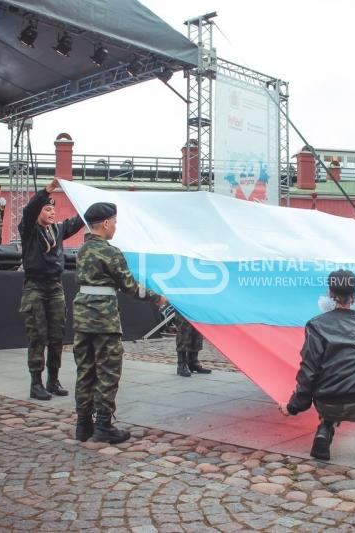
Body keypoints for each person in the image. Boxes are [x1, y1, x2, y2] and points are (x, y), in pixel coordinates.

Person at [72, 202, 167, 443]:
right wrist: (156, 297)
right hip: (104, 319)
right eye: (114, 222)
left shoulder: (82, 250)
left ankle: (83, 425)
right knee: (108, 371)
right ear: (105, 223)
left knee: (85, 371)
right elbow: (129, 286)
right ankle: (103, 426)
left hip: (82, 317)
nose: (115, 227)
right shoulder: (111, 252)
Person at [279, 270, 355, 461]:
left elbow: (309, 370)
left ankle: (323, 435)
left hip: (328, 404)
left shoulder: (315, 325)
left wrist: (294, 406)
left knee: (329, 375)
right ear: (354, 296)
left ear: (330, 293)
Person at [19, 178, 85, 401]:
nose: (52, 213)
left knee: (57, 336)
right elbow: (28, 210)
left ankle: (53, 380)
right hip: (35, 286)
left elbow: (78, 221)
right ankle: (36, 384)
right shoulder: (29, 229)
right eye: (47, 209)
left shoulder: (57, 229)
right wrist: (48, 190)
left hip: (55, 286)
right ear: (38, 212)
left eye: (53, 210)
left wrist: (88, 203)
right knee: (37, 336)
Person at [174, 312, 211, 377]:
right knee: (184, 333)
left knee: (197, 333)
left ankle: (193, 363)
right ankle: (181, 364)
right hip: (183, 308)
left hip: (196, 309)